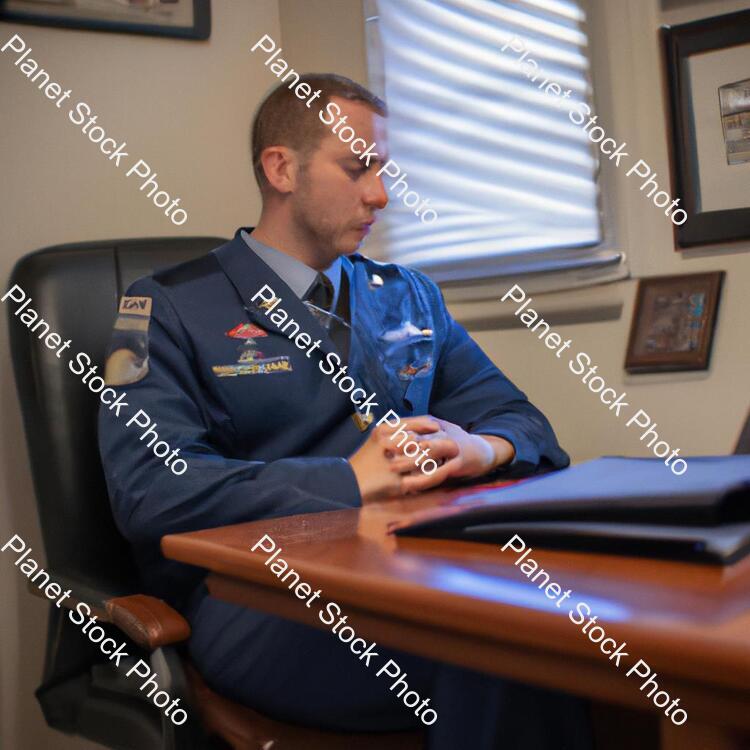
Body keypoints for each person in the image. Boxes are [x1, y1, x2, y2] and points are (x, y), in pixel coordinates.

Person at [98, 74, 590, 749]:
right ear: (281, 168)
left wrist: (482, 449)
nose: (381, 195)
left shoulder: (409, 295)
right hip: (257, 599)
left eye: (382, 170)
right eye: (358, 168)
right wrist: (348, 480)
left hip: (411, 573)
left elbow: (523, 423)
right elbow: (151, 492)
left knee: (574, 635)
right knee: (503, 653)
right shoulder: (165, 308)